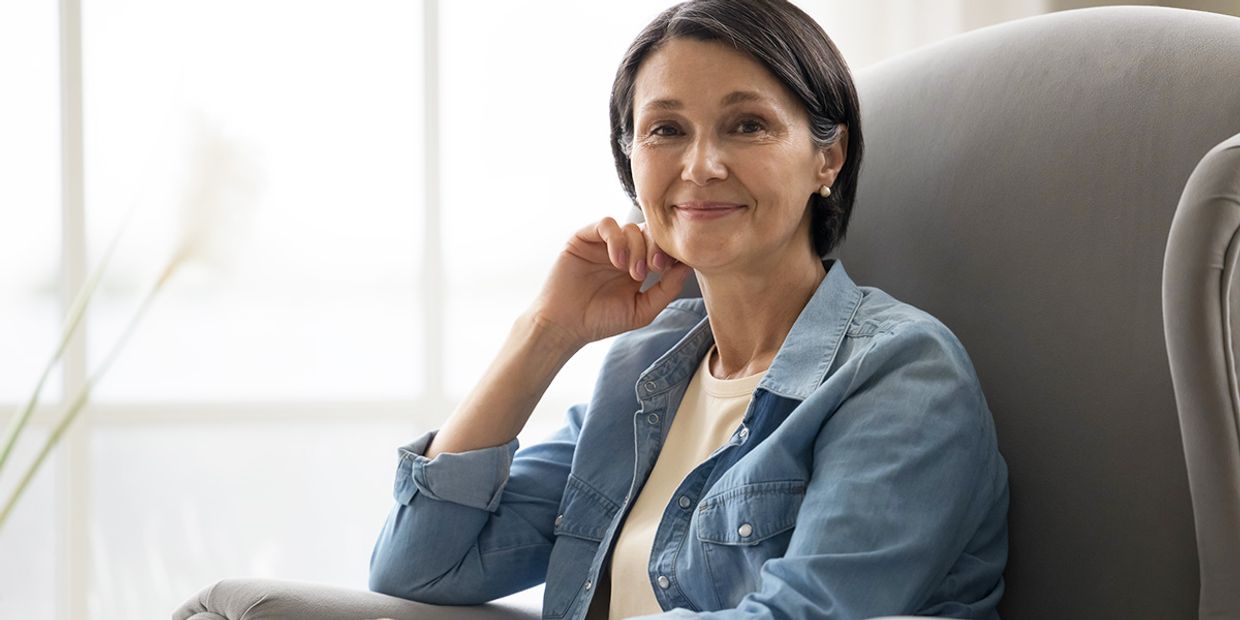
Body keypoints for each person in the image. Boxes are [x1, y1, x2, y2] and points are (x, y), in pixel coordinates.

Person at [368, 1, 1009, 618]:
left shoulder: (902, 372)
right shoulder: (644, 373)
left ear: (828, 157)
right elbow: (416, 567)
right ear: (631, 160)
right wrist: (546, 331)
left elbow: (805, 613)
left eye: (748, 125)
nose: (700, 167)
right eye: (666, 130)